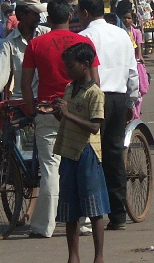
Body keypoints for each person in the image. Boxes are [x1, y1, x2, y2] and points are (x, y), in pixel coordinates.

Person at [21, 0, 99, 239]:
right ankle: (85, 221)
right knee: (81, 166)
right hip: (78, 112)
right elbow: (95, 81)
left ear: (48, 19)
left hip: (47, 110)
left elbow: (25, 84)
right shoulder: (83, 43)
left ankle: (44, 225)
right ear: (70, 16)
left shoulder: (35, 44)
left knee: (50, 169)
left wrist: (32, 110)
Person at [78, 0, 140, 232]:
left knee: (90, 154)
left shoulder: (85, 37)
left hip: (94, 97)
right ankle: (118, 213)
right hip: (118, 97)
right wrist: (131, 101)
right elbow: (133, 70)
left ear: (85, 13)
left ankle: (91, 211)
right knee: (114, 155)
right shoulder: (122, 34)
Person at [54, 42, 108, 263]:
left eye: (71, 66)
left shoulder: (95, 93)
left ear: (85, 65)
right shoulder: (70, 88)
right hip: (68, 151)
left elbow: (95, 126)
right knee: (70, 209)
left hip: (87, 153)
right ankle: (73, 256)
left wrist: (67, 114)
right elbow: (66, 118)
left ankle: (98, 256)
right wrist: (58, 112)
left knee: (94, 208)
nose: (67, 70)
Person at [0, 0, 49, 102]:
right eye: (35, 14)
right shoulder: (9, 42)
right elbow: (1, 73)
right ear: (22, 15)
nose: (39, 18)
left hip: (45, 98)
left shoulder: (46, 34)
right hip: (21, 99)